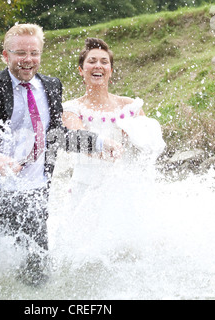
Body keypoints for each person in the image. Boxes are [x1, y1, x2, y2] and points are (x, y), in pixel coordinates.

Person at [0, 26, 121, 286]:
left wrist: (98, 142)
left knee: (38, 280)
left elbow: (57, 134)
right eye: (20, 53)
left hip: (33, 197)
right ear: (5, 55)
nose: (27, 59)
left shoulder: (51, 86)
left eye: (34, 53)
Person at [53, 38, 166, 258]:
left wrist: (135, 135)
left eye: (104, 62)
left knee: (132, 252)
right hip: (86, 187)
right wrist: (106, 147)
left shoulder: (129, 106)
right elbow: (77, 139)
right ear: (81, 70)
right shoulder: (70, 108)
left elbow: (150, 145)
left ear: (110, 71)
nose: (98, 65)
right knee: (78, 254)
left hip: (124, 187)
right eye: (92, 61)